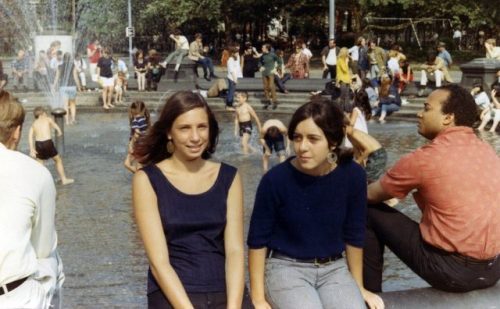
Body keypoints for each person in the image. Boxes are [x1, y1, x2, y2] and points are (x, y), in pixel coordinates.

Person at [247, 98, 384, 309]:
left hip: (335, 269)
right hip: (285, 268)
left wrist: (359, 287)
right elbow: (257, 241)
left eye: (313, 139)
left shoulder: (352, 175)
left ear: (333, 141)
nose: (302, 147)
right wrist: (258, 298)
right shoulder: (275, 180)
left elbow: (354, 234)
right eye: (297, 138)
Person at [364, 84, 500, 294]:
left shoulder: (427, 157)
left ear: (447, 118)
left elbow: (370, 195)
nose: (420, 113)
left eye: (427, 108)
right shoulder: (487, 150)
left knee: (366, 211)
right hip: (493, 271)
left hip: (453, 273)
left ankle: (370, 294)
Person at [132, 91, 250, 308]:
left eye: (201, 127)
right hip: (173, 294)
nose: (195, 137)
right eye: (185, 128)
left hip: (226, 289)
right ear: (169, 132)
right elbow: (159, 262)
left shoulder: (229, 177)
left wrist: (234, 306)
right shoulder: (147, 180)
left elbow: (234, 251)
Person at [0, 91, 64, 308]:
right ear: (16, 132)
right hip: (14, 297)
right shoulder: (36, 173)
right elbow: (43, 247)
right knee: (52, 259)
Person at [28, 106, 74, 185]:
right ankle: (64, 179)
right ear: (42, 114)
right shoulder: (48, 119)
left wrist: (32, 149)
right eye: (45, 113)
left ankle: (40, 183)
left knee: (40, 164)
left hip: (38, 144)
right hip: (48, 143)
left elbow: (30, 136)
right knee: (58, 160)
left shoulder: (34, 124)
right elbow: (55, 125)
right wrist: (59, 131)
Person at [53, 52, 80, 125]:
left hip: (63, 87)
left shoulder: (59, 66)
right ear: (70, 58)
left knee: (65, 105)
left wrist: (54, 86)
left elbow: (57, 77)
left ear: (63, 58)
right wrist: (79, 86)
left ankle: (67, 121)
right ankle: (73, 119)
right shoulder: (73, 65)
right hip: (72, 86)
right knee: (72, 104)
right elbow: (75, 76)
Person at [124, 101, 150, 173]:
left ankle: (143, 177)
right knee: (128, 164)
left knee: (131, 165)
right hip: (143, 145)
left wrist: (131, 145)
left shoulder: (135, 120)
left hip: (138, 145)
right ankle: (143, 176)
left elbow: (136, 133)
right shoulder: (144, 119)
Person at [260, 43, 282, 109]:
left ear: (267, 48)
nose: (262, 48)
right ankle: (268, 101)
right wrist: (260, 67)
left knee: (271, 86)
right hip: (264, 73)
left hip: (271, 73)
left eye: (263, 47)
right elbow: (260, 62)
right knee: (265, 87)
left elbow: (280, 62)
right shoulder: (262, 56)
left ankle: (275, 101)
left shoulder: (273, 55)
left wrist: (275, 69)